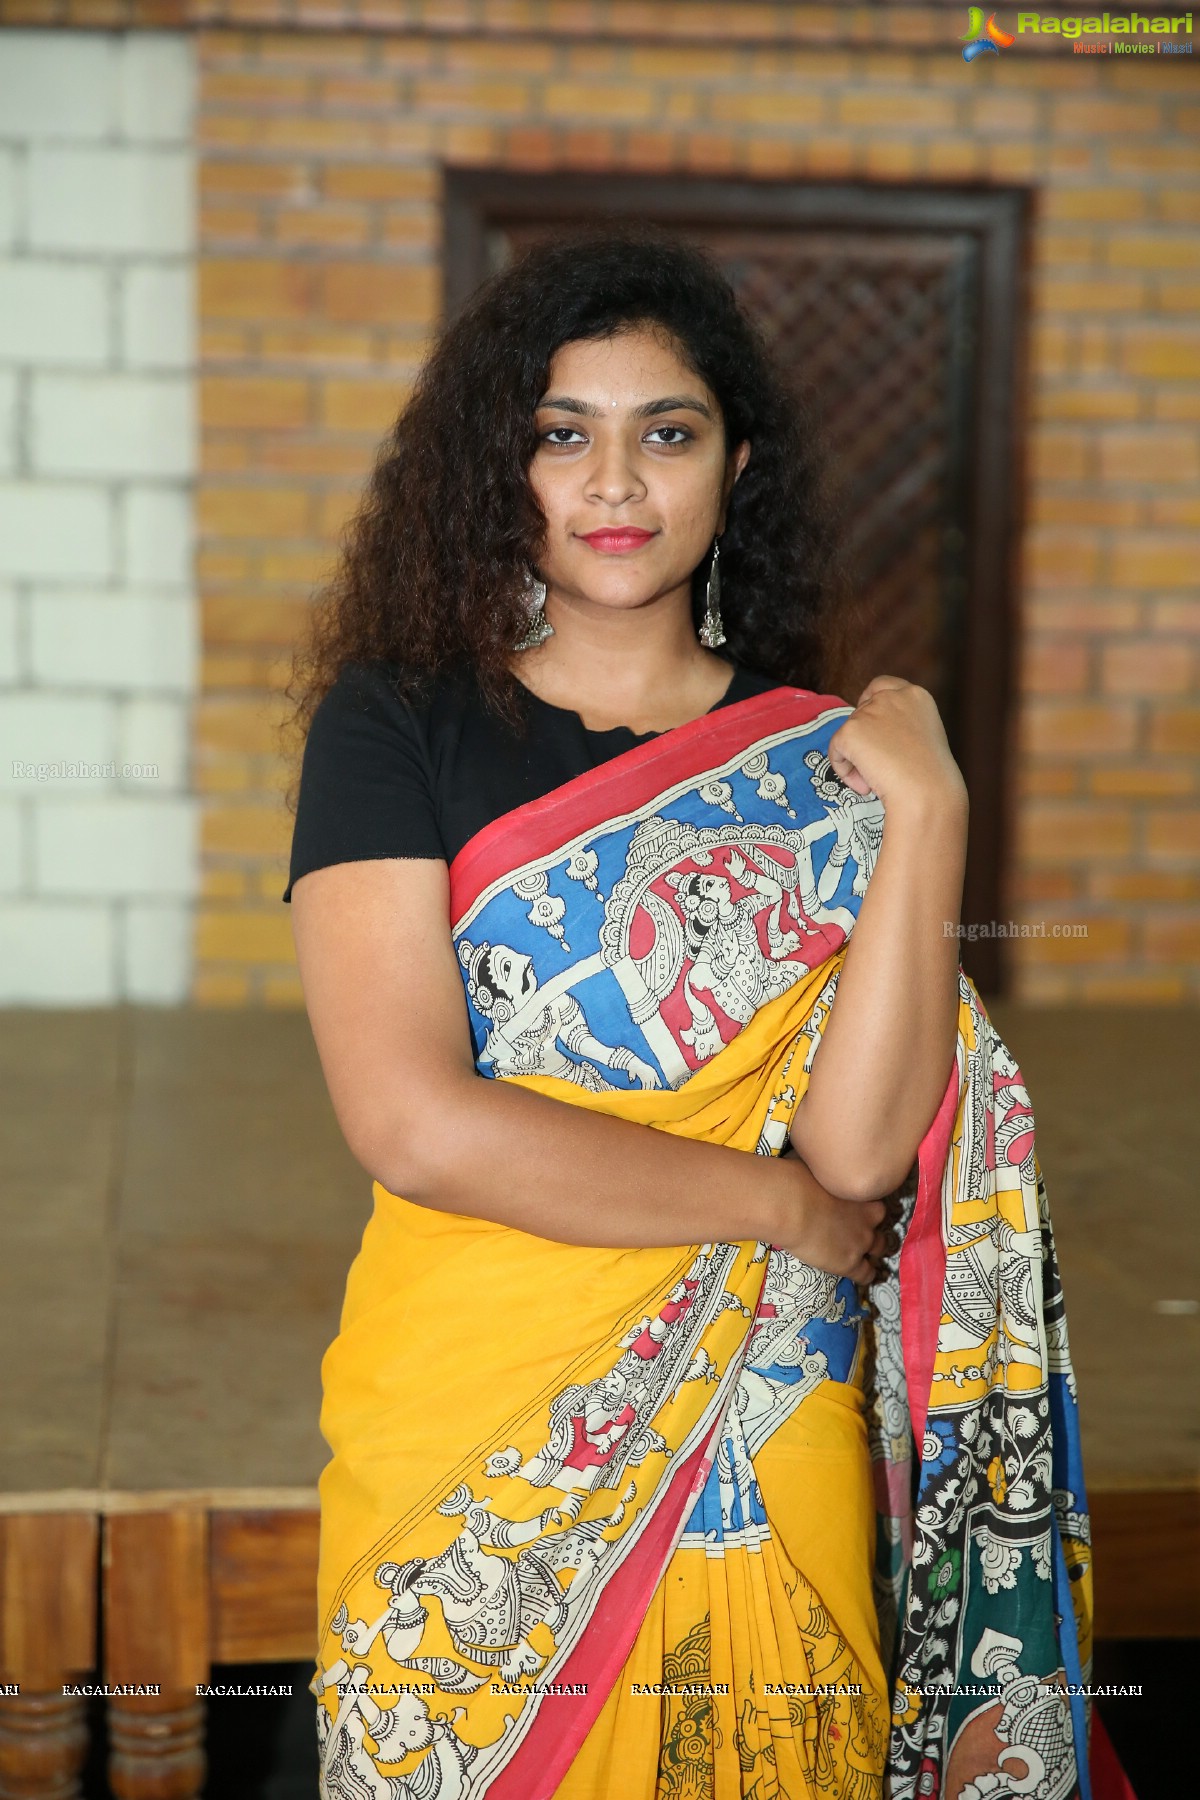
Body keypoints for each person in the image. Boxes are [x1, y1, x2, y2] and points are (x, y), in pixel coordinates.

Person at [282, 231, 1093, 1800]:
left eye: (668, 433)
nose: (615, 483)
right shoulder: (392, 725)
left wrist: (928, 815)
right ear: (495, 468)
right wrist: (772, 1204)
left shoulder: (813, 768)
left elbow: (862, 1144)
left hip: (765, 1420)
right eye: (559, 434)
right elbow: (411, 1122)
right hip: (470, 1429)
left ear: (734, 468)